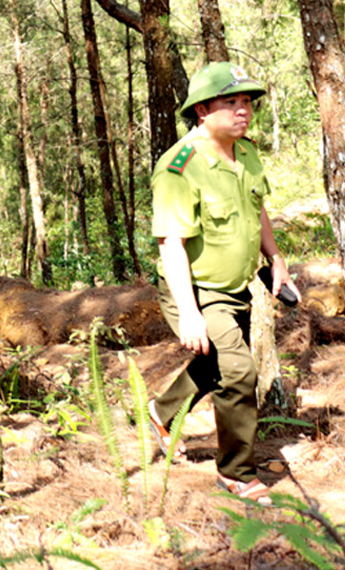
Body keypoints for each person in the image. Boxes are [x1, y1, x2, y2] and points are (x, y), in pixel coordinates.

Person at [146, 61, 299, 507]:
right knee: (237, 371)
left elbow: (258, 209)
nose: (243, 110)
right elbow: (170, 243)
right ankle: (236, 474)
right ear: (201, 112)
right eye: (230, 102)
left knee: (216, 365)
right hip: (195, 289)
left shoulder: (246, 153)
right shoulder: (180, 166)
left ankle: (162, 412)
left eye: (247, 102)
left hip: (235, 287)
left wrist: (276, 260)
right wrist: (190, 311)